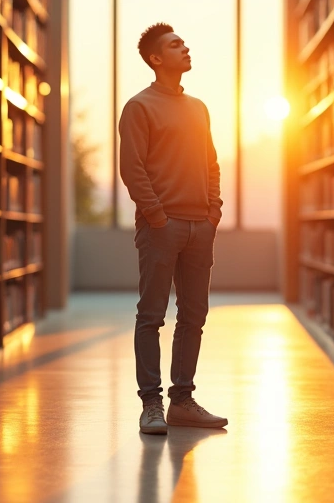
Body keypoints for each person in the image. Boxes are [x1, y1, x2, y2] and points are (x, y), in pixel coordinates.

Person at [118, 22, 229, 435]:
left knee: (194, 314)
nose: (185, 48)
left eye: (184, 42)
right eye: (175, 44)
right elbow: (132, 168)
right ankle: (151, 404)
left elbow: (211, 164)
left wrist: (212, 212)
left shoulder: (199, 107)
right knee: (151, 316)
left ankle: (182, 401)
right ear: (155, 58)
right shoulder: (139, 107)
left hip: (201, 225)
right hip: (160, 227)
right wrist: (157, 215)